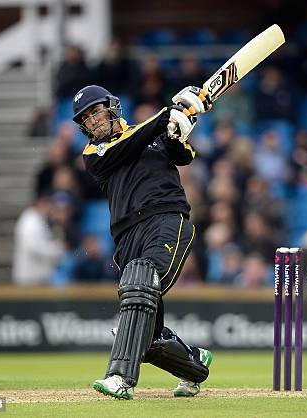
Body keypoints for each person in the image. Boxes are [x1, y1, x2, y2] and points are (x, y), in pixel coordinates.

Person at [72, 84, 214, 399]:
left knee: (141, 282)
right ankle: (195, 364)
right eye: (86, 118)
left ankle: (119, 378)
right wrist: (168, 114)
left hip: (166, 219)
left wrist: (179, 128)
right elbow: (130, 143)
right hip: (126, 237)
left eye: (96, 110)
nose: (93, 120)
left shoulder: (152, 133)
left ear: (112, 107)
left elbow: (183, 156)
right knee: (144, 336)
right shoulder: (94, 154)